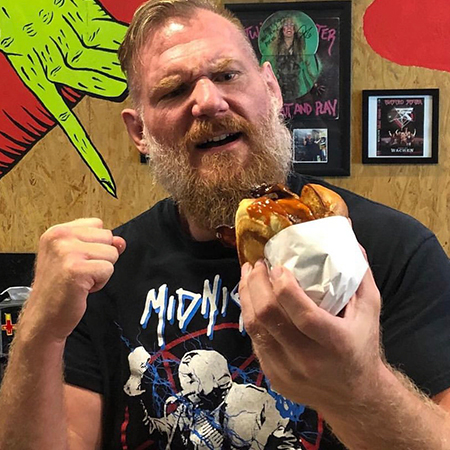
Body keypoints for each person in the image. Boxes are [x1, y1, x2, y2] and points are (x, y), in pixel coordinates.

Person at [0, 0, 450, 449]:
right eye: (173, 91)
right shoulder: (103, 277)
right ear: (139, 132)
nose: (208, 101)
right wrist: (39, 329)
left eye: (227, 75)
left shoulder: (392, 249)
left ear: (272, 89)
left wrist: (358, 388)